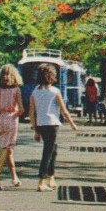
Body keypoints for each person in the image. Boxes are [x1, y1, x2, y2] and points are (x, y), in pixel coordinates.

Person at [28, 63, 79, 192]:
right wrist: (73, 124)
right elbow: (64, 111)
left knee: (53, 150)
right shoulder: (55, 91)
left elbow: (31, 112)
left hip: (41, 124)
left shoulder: (35, 92)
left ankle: (51, 178)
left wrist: (35, 129)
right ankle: (41, 181)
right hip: (52, 124)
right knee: (48, 152)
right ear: (52, 76)